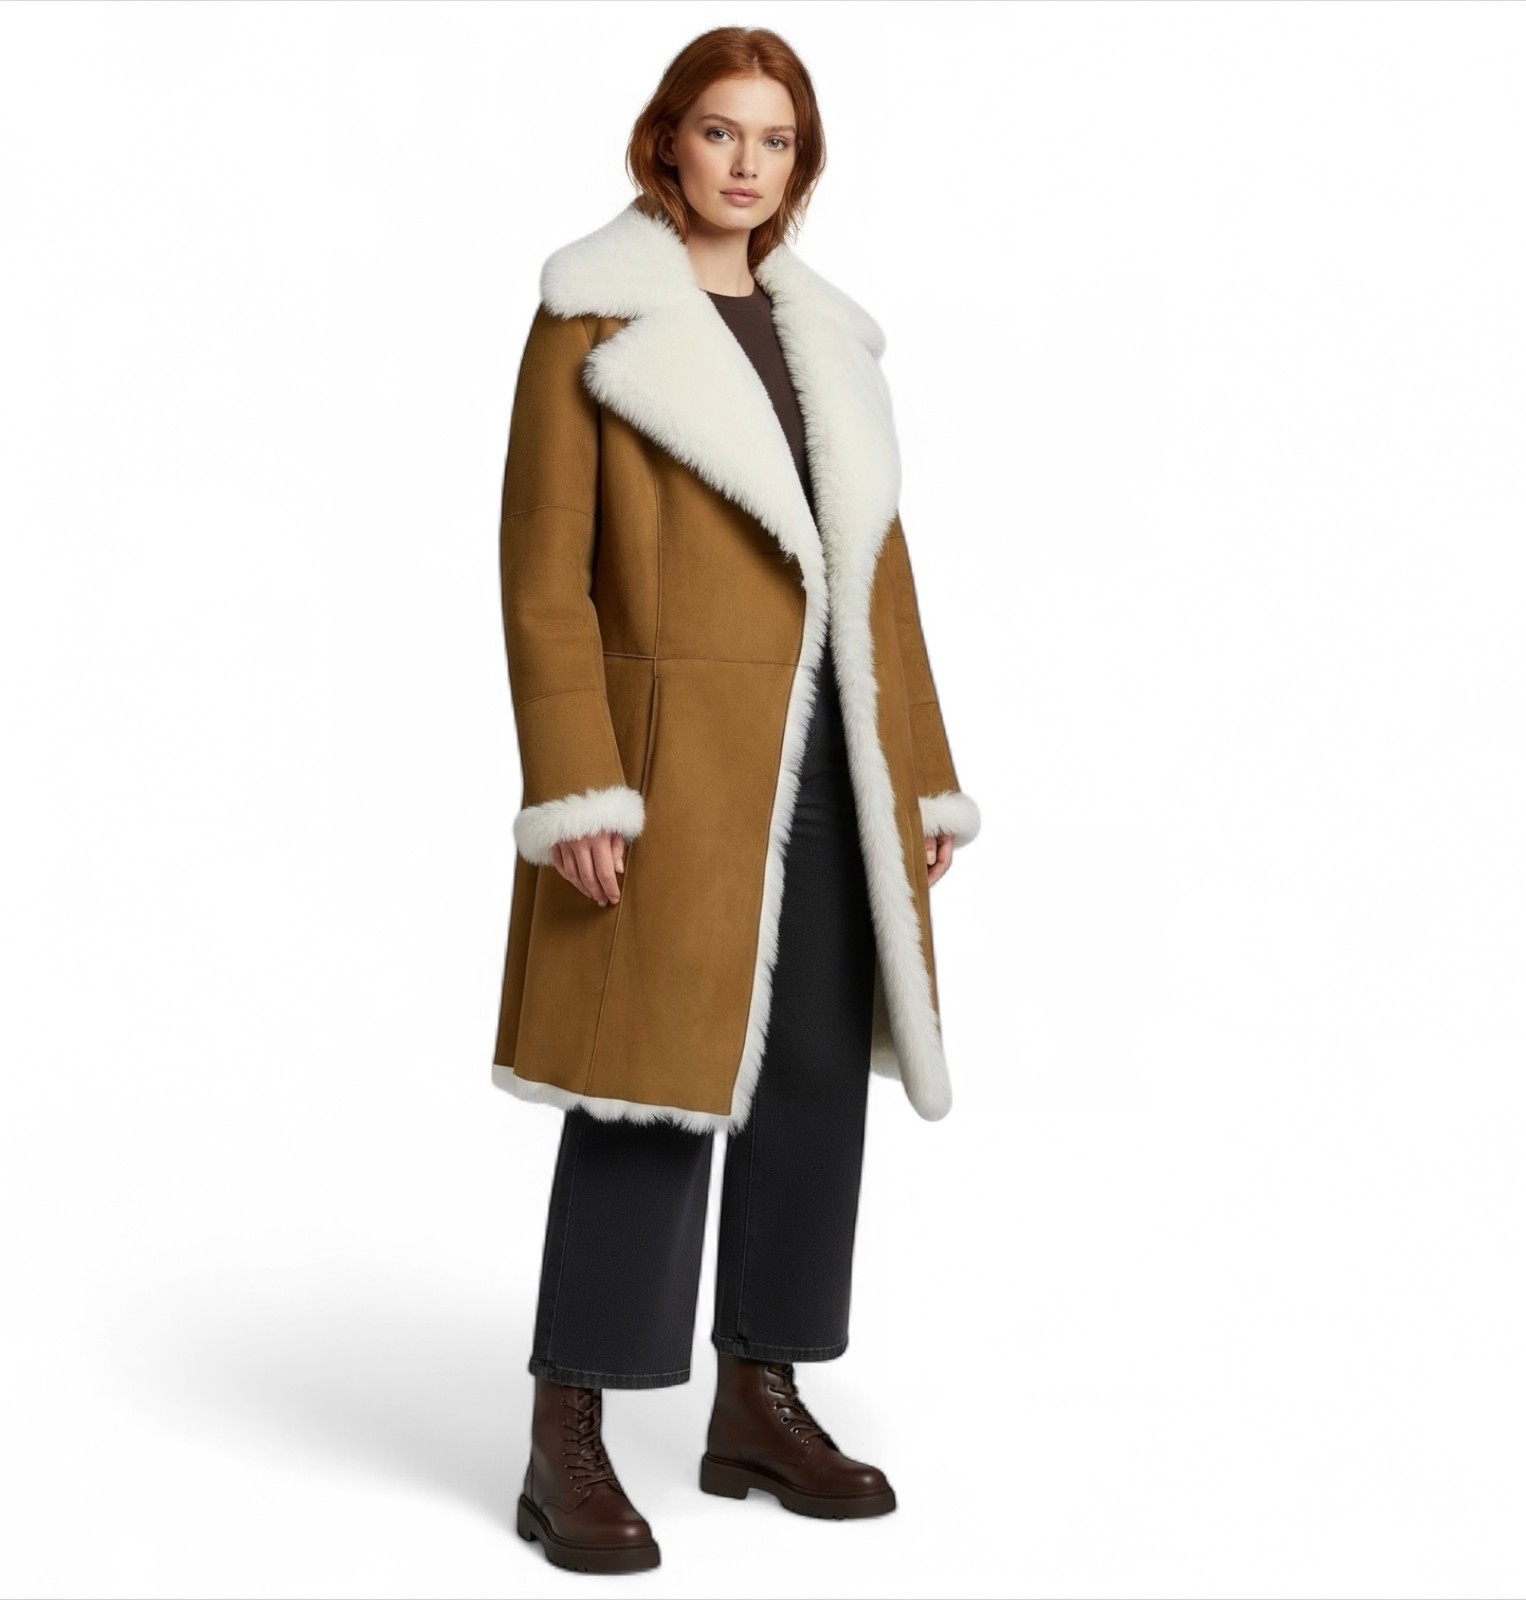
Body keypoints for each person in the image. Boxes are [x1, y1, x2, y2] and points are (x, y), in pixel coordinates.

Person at [492, 26, 982, 1575]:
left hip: (834, 758)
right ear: (670, 142)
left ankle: (759, 1401)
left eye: (775, 139)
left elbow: (880, 579)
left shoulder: (831, 336)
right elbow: (542, 571)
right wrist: (578, 780)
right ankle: (566, 1433)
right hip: (669, 767)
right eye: (721, 132)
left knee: (813, 1080)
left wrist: (922, 777)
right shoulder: (592, 317)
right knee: (649, 1088)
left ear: (799, 161)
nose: (747, 163)